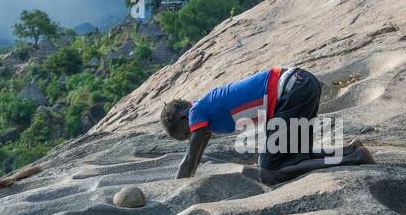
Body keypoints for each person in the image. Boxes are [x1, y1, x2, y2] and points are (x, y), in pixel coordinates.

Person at [159, 65, 373, 184]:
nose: (192, 138)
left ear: (184, 119)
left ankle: (356, 159)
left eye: (187, 135)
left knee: (269, 173)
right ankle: (348, 149)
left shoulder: (197, 111)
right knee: (293, 155)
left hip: (291, 91)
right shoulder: (207, 106)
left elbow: (190, 160)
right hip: (300, 83)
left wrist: (176, 190)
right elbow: (195, 156)